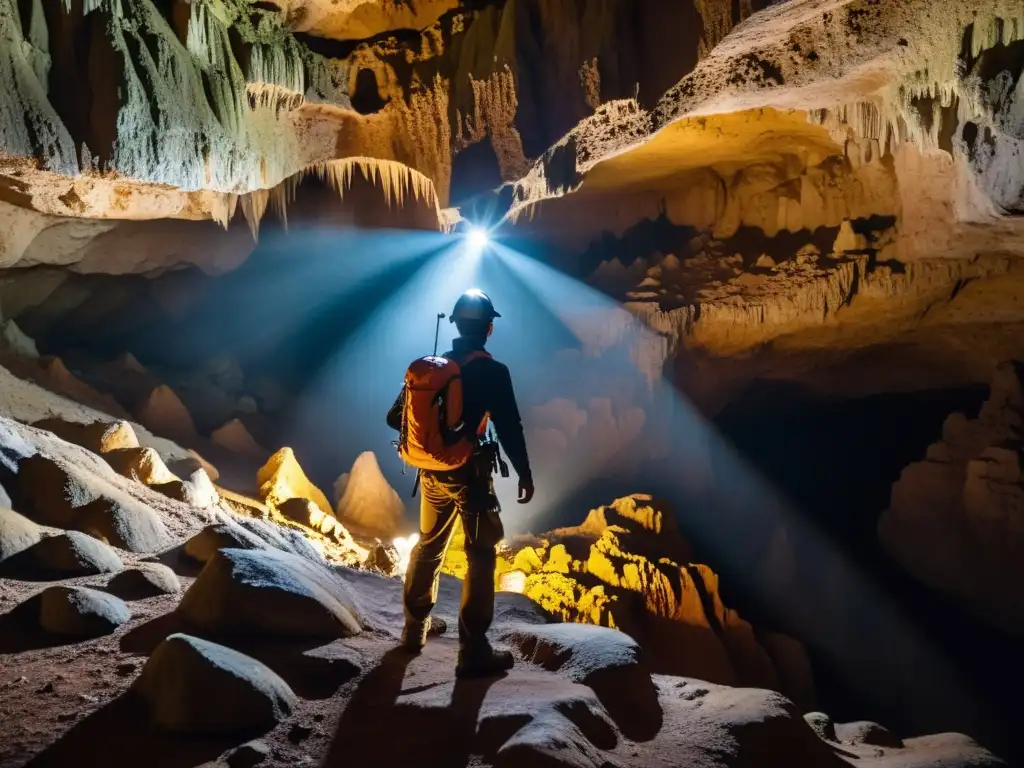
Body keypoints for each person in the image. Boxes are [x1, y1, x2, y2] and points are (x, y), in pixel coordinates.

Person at [386, 289, 534, 678]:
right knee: (481, 554)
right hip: (471, 475)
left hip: (431, 475)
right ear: (488, 329)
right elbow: (510, 428)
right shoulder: (493, 372)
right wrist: (524, 472)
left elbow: (393, 419)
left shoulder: (434, 367)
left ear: (454, 324)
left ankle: (414, 629)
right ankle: (474, 650)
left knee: (429, 547)